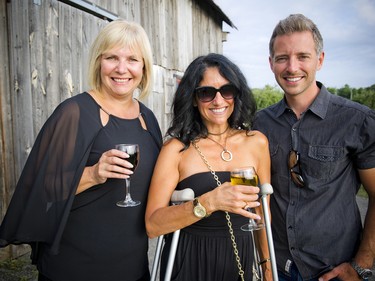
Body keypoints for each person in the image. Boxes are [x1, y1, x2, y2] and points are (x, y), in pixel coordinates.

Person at [0, 19, 162, 281]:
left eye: (133, 59)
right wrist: (94, 173)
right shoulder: (74, 112)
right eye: (112, 57)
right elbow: (44, 189)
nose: (122, 68)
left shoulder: (148, 118)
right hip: (76, 265)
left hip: (132, 264)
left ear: (143, 66)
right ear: (99, 62)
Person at [252, 13, 375, 281]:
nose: (292, 67)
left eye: (302, 56)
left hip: (336, 271)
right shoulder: (260, 123)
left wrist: (362, 264)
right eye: (282, 58)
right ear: (271, 63)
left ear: (320, 60)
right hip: (278, 268)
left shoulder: (357, 120)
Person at [145, 53, 272, 281]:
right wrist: (208, 202)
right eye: (206, 93)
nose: (219, 100)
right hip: (189, 260)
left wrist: (267, 267)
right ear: (193, 98)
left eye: (227, 90)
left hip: (238, 260)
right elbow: (153, 225)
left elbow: (262, 212)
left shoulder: (256, 143)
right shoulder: (176, 149)